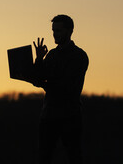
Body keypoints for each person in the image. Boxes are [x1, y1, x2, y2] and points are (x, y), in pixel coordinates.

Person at [32, 14, 89, 164]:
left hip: (69, 116)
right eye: (53, 31)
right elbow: (39, 79)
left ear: (70, 31)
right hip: (49, 115)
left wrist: (44, 82)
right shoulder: (52, 55)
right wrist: (39, 59)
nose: (54, 34)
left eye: (58, 31)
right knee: (44, 157)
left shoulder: (79, 56)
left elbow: (66, 87)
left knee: (74, 156)